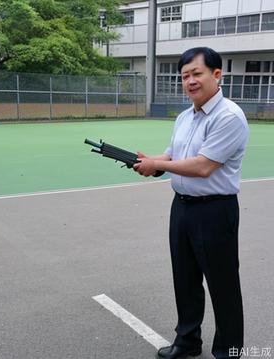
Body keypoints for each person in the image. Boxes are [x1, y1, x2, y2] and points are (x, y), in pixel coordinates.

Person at [133, 47, 248, 359]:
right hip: (182, 207)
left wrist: (160, 166)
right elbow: (172, 155)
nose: (190, 81)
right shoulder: (185, 117)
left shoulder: (229, 117)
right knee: (184, 280)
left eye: (196, 73)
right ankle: (187, 341)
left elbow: (202, 166)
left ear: (216, 74)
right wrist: (150, 161)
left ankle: (230, 352)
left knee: (223, 286)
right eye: (184, 76)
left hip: (215, 210)